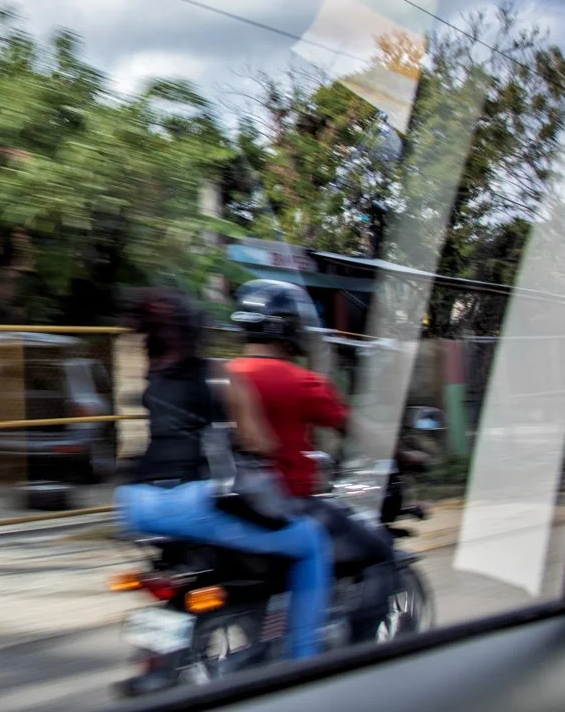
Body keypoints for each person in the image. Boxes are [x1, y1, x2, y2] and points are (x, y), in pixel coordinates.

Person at [115, 289, 333, 661]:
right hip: (193, 502)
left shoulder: (153, 377)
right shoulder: (219, 375)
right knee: (311, 543)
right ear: (196, 331)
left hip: (136, 504)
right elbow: (259, 441)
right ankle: (304, 656)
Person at [226, 278, 395, 644]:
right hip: (289, 505)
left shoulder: (223, 375)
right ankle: (363, 651)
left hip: (232, 509)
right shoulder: (301, 382)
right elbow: (355, 429)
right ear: (290, 328)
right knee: (380, 552)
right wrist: (403, 451)